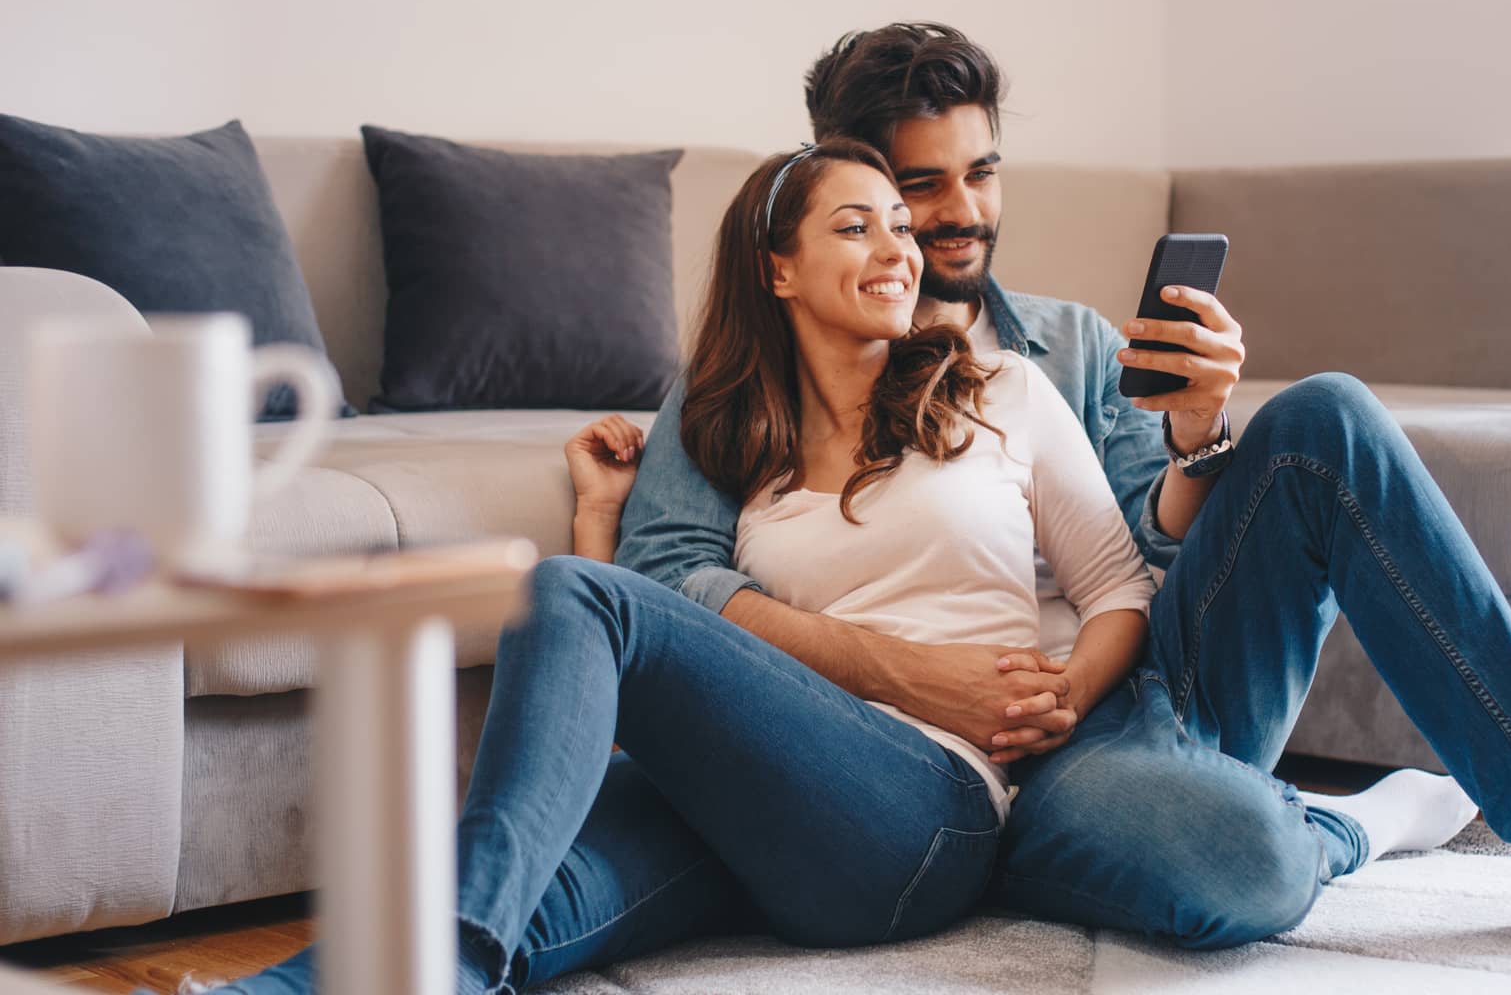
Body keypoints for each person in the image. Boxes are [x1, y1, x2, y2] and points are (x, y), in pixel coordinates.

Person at [620, 23, 1511, 983]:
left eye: (981, 173)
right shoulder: (750, 373)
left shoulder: (1072, 351)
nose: (961, 212)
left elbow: (1142, 554)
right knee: (1239, 874)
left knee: (1326, 416)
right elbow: (664, 575)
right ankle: (1340, 827)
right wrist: (908, 677)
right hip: (927, 767)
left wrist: (1198, 436)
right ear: (843, 182)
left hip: (1130, 697)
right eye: (919, 185)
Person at [208, 138, 1188, 995]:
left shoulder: (1001, 392)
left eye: (900, 226)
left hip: (922, 815)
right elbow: (668, 659)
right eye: (857, 229)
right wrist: (601, 511)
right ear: (779, 272)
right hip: (769, 808)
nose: (898, 250)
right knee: (521, 899)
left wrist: (1060, 691)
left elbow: (1116, 586)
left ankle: (451, 962)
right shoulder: (742, 457)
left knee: (564, 594)